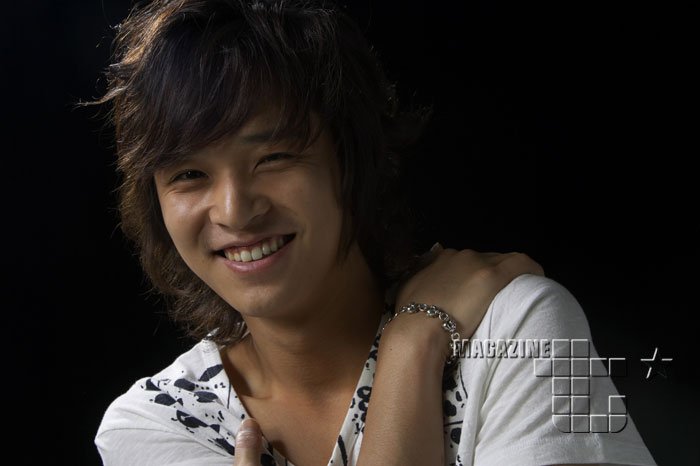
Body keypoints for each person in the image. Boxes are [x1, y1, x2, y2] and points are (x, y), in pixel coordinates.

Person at [92, 1, 657, 465]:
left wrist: (415, 339)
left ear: (350, 159)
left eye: (273, 157)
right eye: (189, 175)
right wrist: (413, 348)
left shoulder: (514, 329)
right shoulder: (156, 425)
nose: (235, 211)